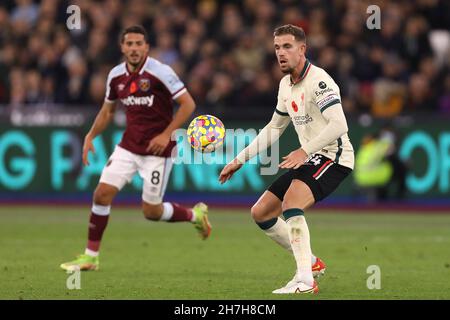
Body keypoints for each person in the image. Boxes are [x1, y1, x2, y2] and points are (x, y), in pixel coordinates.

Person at [61, 25, 211, 272]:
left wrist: (166, 134)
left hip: (158, 151)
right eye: (129, 44)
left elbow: (188, 104)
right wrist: (90, 135)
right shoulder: (116, 76)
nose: (133, 48)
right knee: (101, 194)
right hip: (129, 147)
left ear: (146, 47)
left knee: (151, 211)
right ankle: (90, 257)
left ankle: (195, 216)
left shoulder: (160, 72)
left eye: (138, 43)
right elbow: (108, 110)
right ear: (122, 47)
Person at [219, 24, 354, 294]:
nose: (281, 53)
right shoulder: (285, 85)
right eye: (277, 47)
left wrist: (304, 151)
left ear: (302, 49)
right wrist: (240, 159)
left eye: (288, 46)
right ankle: (311, 263)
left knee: (292, 204)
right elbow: (274, 128)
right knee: (261, 213)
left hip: (334, 157)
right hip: (312, 158)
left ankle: (305, 280)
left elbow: (339, 125)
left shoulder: (320, 80)